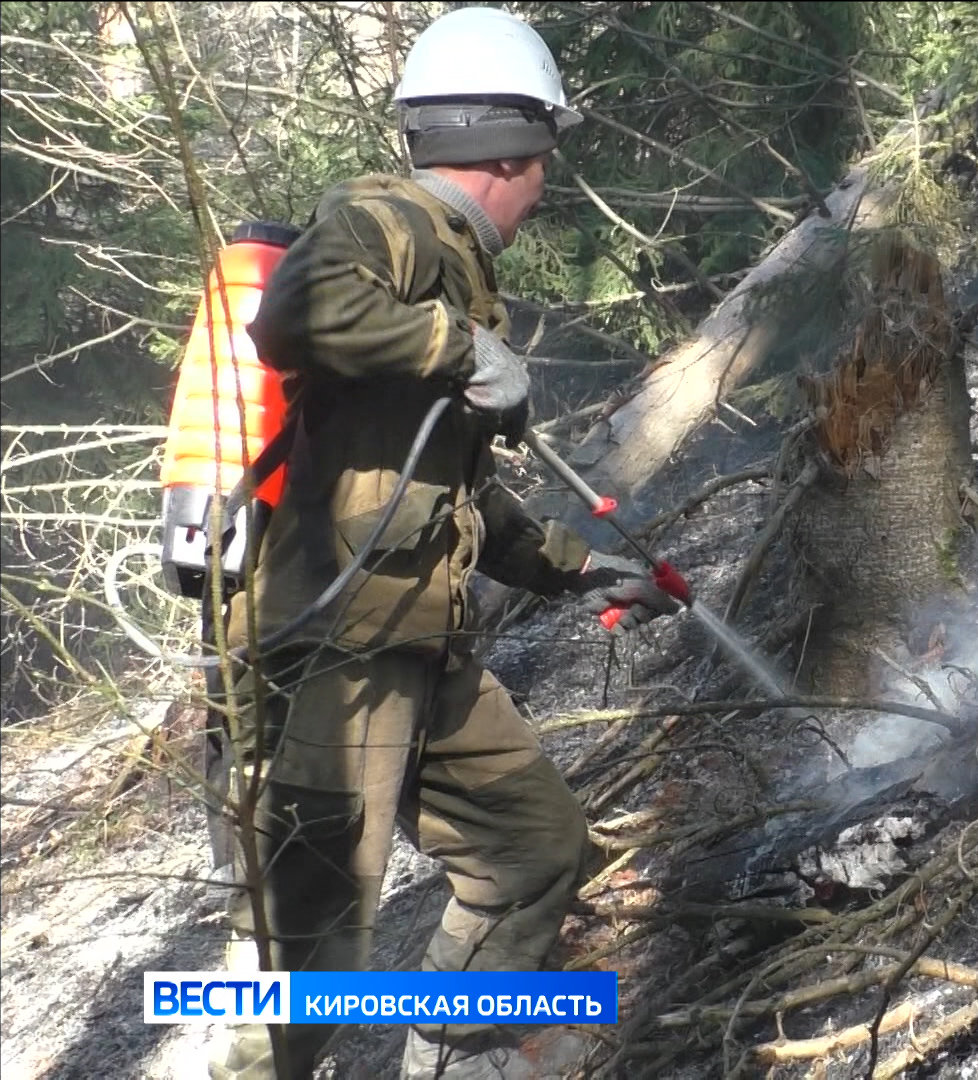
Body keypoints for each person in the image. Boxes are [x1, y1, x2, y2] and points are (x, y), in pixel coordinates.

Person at [206, 8, 674, 1078]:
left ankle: (459, 1053)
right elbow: (293, 313)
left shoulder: (454, 263)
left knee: (535, 848)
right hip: (336, 656)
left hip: (418, 643)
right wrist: (456, 346)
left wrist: (577, 568)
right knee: (308, 942)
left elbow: (441, 493)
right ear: (506, 149)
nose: (544, 186)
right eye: (543, 160)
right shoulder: (393, 217)